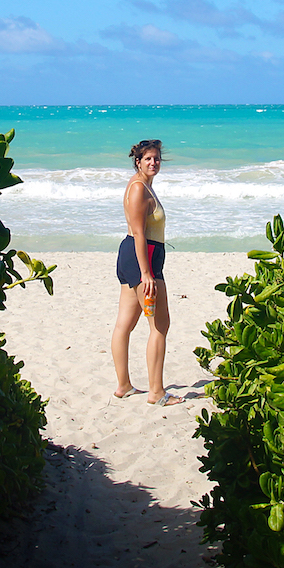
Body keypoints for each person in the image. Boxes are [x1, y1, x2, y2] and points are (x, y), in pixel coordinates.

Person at [111, 139, 180, 405]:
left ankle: (124, 386)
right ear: (138, 161)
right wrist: (147, 273)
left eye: (157, 158)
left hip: (134, 256)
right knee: (159, 326)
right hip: (144, 259)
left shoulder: (141, 185)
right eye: (148, 159)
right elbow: (139, 233)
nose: (154, 163)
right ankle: (156, 392)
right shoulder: (139, 189)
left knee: (124, 324)